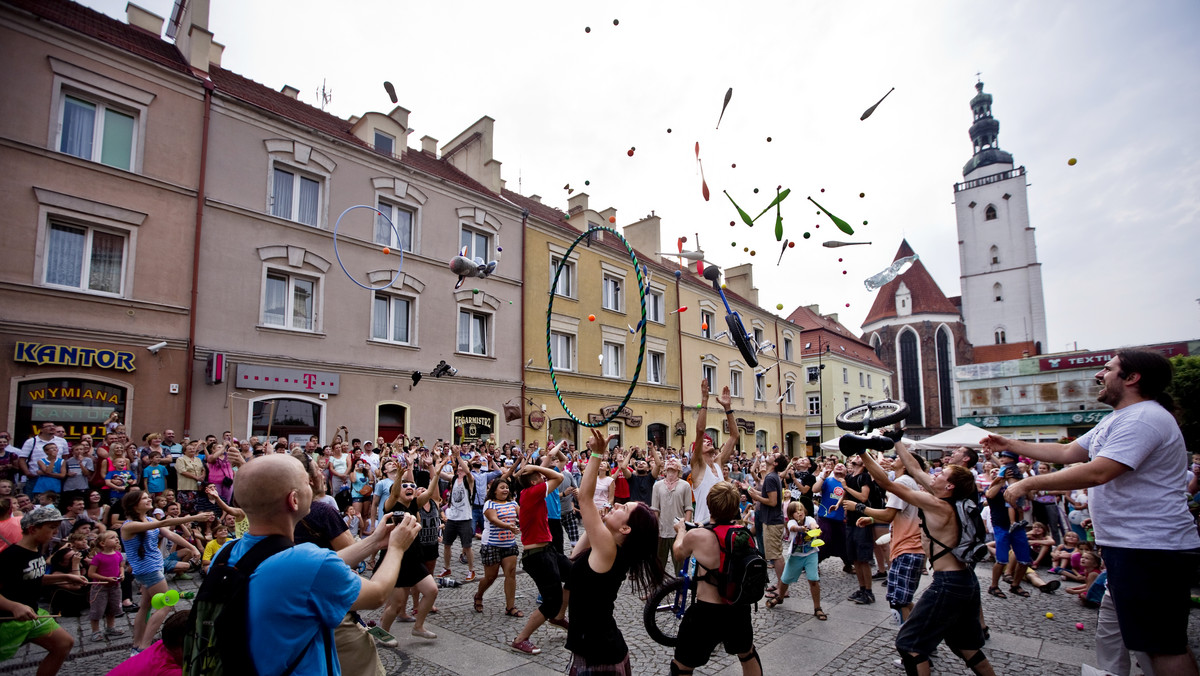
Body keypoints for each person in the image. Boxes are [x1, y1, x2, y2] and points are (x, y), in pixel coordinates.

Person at [993, 350, 1200, 676]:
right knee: (1113, 632)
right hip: (1129, 547)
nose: (1098, 375)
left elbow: (1097, 472)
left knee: (1162, 645)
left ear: (1132, 378)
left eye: (1107, 369)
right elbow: (1066, 451)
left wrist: (1027, 483)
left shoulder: (1144, 418)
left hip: (1151, 549)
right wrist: (1009, 442)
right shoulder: (1118, 418)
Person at [215, 453, 422, 674]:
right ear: (293, 500)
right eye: (306, 482)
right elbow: (377, 594)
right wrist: (397, 548)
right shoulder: (308, 560)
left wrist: (373, 542)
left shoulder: (226, 552)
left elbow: (306, 571)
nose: (315, 483)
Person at [859, 442, 996, 676]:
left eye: (941, 473)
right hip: (965, 581)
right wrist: (897, 440)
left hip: (949, 584)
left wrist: (862, 452)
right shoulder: (951, 499)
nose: (935, 473)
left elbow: (886, 483)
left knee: (909, 644)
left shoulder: (938, 505)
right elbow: (914, 467)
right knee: (965, 646)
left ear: (949, 485)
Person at [563, 428, 664, 674]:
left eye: (623, 508)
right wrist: (595, 524)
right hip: (596, 650)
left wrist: (596, 453)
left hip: (600, 657)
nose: (616, 504)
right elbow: (575, 559)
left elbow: (584, 498)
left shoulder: (610, 550)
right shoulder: (608, 546)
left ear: (626, 528)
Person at [671, 480, 761, 675]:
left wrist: (681, 532)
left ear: (709, 504)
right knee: (747, 655)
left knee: (682, 667)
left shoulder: (697, 536)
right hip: (738, 608)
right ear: (736, 507)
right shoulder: (744, 533)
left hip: (706, 611)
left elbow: (679, 553)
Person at [0, 505, 89, 675]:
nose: (55, 532)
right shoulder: (11, 556)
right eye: (51, 528)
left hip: (33, 613)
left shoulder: (36, 550)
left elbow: (33, 578)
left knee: (63, 643)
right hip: (7, 620)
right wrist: (13, 606)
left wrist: (66, 577)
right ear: (33, 529)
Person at [118, 489, 212, 647]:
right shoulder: (129, 526)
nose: (149, 500)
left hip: (152, 567)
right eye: (144, 499)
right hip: (149, 570)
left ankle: (137, 644)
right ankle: (144, 646)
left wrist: (193, 548)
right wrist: (194, 517)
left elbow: (170, 534)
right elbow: (162, 523)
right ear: (134, 505)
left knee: (146, 605)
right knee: (167, 604)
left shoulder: (148, 519)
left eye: (149, 497)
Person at [844, 452, 928, 625]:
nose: (893, 459)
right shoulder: (908, 482)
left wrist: (859, 507)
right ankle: (918, 635)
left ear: (905, 465)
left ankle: (913, 642)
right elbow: (899, 514)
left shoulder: (902, 482)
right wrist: (874, 519)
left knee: (899, 601)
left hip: (908, 548)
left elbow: (889, 513)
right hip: (910, 546)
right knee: (903, 599)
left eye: (897, 458)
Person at [379, 453, 448, 643]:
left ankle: (418, 627)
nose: (410, 488)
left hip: (413, 557)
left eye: (412, 486)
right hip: (396, 558)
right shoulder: (391, 504)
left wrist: (436, 473)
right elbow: (394, 493)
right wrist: (401, 475)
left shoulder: (415, 504)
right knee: (396, 604)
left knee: (432, 590)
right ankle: (382, 632)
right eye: (405, 486)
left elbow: (430, 493)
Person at [510, 459, 569, 655]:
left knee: (575, 575)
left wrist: (535, 467)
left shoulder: (530, 492)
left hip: (548, 550)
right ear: (534, 482)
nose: (544, 477)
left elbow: (549, 473)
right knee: (551, 601)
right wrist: (534, 468)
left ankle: (558, 616)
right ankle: (521, 639)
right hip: (537, 556)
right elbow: (558, 477)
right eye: (539, 476)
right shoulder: (531, 493)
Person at [690, 380, 738, 525]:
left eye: (709, 440)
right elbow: (700, 431)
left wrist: (728, 408)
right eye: (704, 442)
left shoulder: (718, 462)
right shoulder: (698, 466)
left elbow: (734, 436)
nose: (707, 441)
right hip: (703, 525)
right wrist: (705, 400)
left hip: (721, 524)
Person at [475, 464, 521, 616]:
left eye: (506, 487)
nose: (505, 490)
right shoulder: (489, 503)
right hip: (492, 544)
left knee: (511, 573)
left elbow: (524, 515)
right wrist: (509, 526)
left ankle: (510, 607)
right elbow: (493, 519)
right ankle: (479, 595)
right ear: (494, 490)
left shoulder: (513, 503)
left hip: (509, 544)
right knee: (490, 577)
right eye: (502, 487)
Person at [768, 500, 824, 620]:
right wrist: (801, 529)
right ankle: (780, 597)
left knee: (813, 579)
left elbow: (813, 524)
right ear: (791, 514)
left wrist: (816, 528)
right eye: (796, 511)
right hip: (796, 556)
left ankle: (817, 608)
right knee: (785, 579)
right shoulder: (791, 522)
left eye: (801, 510)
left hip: (811, 554)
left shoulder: (809, 519)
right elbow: (792, 528)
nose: (799, 513)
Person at [745, 454, 786, 600]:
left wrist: (756, 498)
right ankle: (781, 584)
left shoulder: (770, 478)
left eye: (773, 455)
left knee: (776, 555)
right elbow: (764, 495)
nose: (769, 454)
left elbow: (772, 502)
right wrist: (750, 490)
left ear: (774, 463)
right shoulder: (772, 476)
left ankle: (782, 588)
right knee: (775, 554)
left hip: (773, 521)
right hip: (772, 520)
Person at [650, 456, 693, 575]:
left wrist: (684, 529)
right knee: (658, 565)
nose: (671, 461)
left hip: (677, 530)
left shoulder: (685, 485)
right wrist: (655, 528)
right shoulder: (657, 485)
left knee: (679, 565)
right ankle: (656, 590)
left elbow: (688, 508)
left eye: (675, 461)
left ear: (679, 469)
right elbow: (655, 509)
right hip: (661, 529)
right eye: (669, 461)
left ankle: (680, 591)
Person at [86, 530, 125, 642]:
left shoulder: (118, 554)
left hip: (115, 586)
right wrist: (105, 578)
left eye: (117, 537)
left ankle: (110, 627)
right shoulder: (98, 557)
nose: (116, 539)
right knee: (97, 609)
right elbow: (91, 573)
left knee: (112, 607)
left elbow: (121, 566)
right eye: (112, 537)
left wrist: (121, 574)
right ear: (103, 543)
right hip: (100, 587)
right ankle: (95, 631)